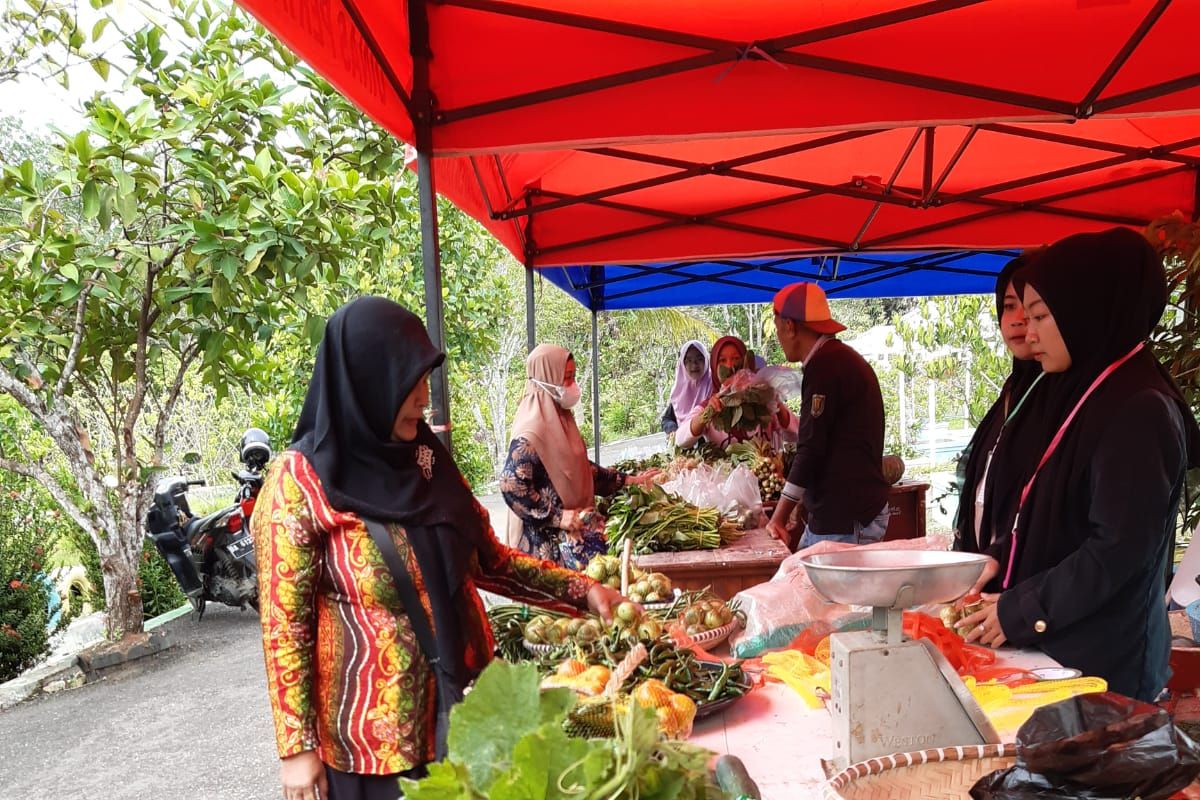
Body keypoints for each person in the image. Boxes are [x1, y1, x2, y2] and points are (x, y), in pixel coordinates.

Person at [252, 297, 627, 800]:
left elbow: (490, 559)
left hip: (464, 718)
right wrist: (296, 749)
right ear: (371, 380)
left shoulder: (427, 462)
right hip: (373, 750)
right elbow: (284, 625)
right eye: (413, 382)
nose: (425, 399)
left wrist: (585, 591)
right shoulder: (299, 482)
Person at [958, 228, 1200, 702]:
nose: (1029, 333)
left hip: (1107, 667)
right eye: (1025, 316)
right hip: (1064, 651)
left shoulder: (1139, 407)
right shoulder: (1083, 391)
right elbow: (1054, 515)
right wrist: (999, 562)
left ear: (1087, 313)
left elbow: (1118, 548)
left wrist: (1023, 609)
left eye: (1042, 316)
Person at [501, 344, 653, 568]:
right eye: (567, 378)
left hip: (575, 545)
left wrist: (627, 480)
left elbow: (580, 468)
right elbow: (511, 485)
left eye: (573, 377)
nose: (573, 386)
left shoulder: (560, 419)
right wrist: (557, 516)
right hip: (545, 554)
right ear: (547, 379)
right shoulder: (531, 431)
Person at [766, 282, 890, 549]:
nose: (780, 338)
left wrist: (778, 517)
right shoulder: (835, 360)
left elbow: (811, 447)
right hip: (838, 514)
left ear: (790, 326)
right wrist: (804, 500)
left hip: (847, 517)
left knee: (824, 590)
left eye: (778, 330)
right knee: (799, 582)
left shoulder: (826, 366)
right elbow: (826, 442)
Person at [954, 251, 1045, 556]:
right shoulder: (1012, 391)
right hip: (990, 574)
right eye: (1009, 306)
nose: (1019, 320)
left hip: (1028, 584)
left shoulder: (1066, 399)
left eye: (1035, 309)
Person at [675, 335, 796, 449]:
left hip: (767, 469)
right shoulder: (711, 405)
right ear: (713, 366)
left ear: (746, 363)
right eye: (722, 360)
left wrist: (777, 406)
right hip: (725, 471)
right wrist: (706, 414)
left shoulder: (764, 401)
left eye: (736, 358)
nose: (730, 365)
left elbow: (796, 435)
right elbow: (681, 440)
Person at [660, 340, 711, 436]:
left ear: (706, 360)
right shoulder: (679, 391)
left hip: (712, 446)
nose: (694, 365)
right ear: (683, 364)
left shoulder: (714, 384)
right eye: (689, 360)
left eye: (699, 359)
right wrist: (672, 429)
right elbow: (667, 419)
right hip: (685, 447)